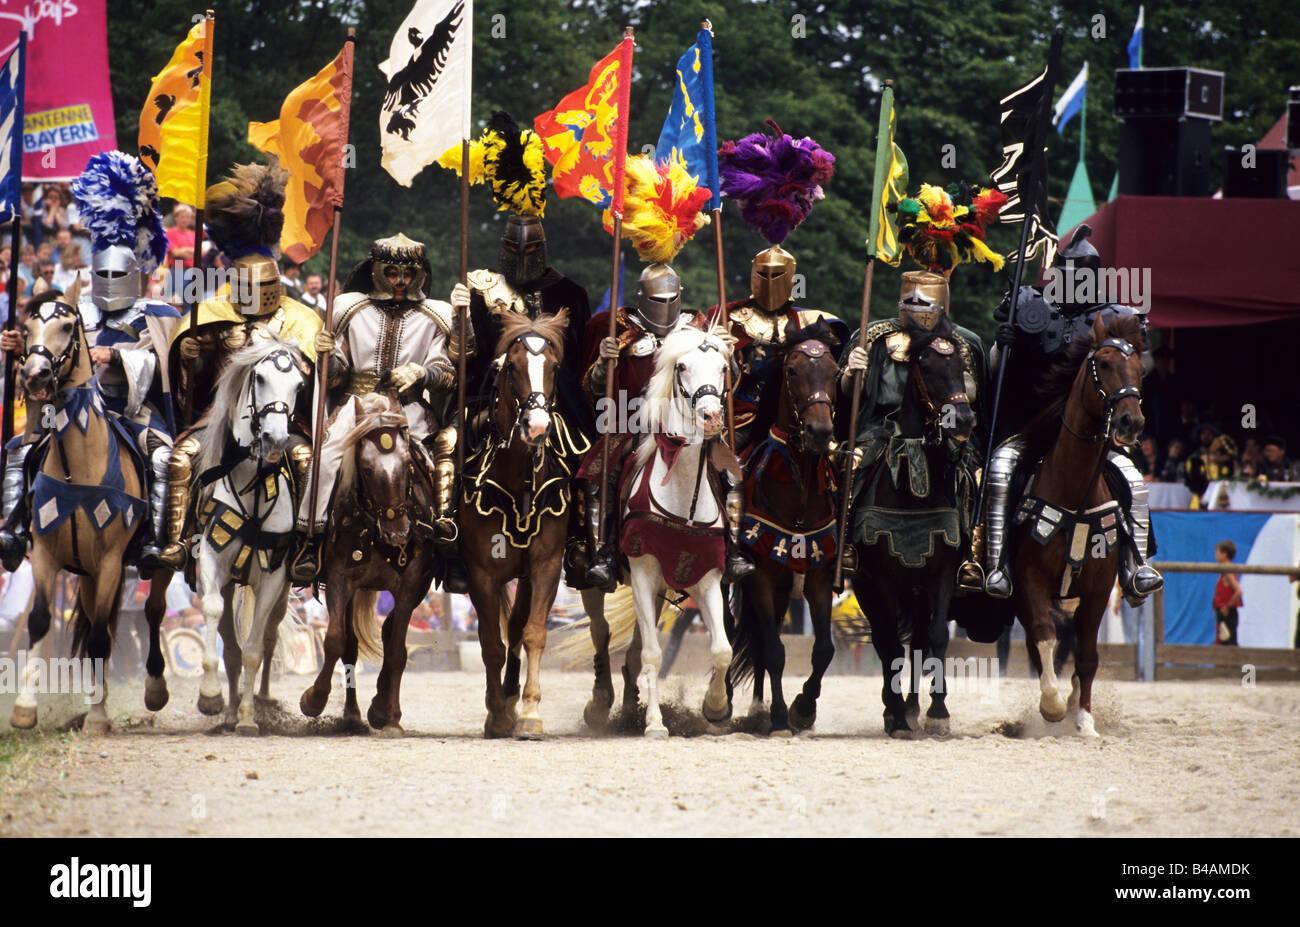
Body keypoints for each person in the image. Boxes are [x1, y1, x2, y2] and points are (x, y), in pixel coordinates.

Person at [0, 152, 182, 571]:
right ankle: (13, 528)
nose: (111, 284)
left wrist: (116, 355)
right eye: (104, 276)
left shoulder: (158, 315)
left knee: (161, 457)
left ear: (137, 274)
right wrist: (18, 349)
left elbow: (163, 365)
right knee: (19, 448)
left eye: (120, 277)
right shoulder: (76, 313)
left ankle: (154, 540)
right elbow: (45, 361)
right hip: (68, 408)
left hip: (131, 408)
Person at [971, 224, 1162, 605]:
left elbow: (1144, 366)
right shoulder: (1032, 308)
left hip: (1090, 433)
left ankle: (1135, 566)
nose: (1077, 282)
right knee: (999, 470)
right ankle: (995, 565)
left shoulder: (1118, 316)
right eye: (1070, 275)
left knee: (1131, 480)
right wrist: (1002, 343)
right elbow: (998, 371)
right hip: (1032, 426)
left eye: (1084, 276)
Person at [448, 112, 595, 587]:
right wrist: (461, 320)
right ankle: (448, 535)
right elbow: (462, 357)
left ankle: (587, 542)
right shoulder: (479, 285)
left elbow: (579, 359)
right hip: (487, 394)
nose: (524, 259)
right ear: (503, 247)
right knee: (448, 446)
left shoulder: (569, 291)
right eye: (516, 250)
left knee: (590, 454)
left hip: (555, 396)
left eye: (532, 252)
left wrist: (603, 360)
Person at [157, 162, 322, 568]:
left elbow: (318, 383)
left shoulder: (300, 318)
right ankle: (178, 541)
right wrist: (190, 357)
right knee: (179, 459)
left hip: (282, 418)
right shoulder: (213, 312)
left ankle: (306, 542)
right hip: (219, 417)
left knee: (306, 462)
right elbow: (191, 386)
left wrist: (323, 361)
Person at [290, 233, 466, 591]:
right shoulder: (346, 308)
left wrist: (421, 372)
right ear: (375, 271)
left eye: (407, 274)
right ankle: (310, 541)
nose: (399, 282)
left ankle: (448, 541)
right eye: (391, 273)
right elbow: (336, 372)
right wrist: (326, 354)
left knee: (437, 464)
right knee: (324, 461)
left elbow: (448, 373)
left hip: (411, 409)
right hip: (356, 407)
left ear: (419, 274)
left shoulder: (438, 315)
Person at [714, 121, 847, 580]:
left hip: (803, 423)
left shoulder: (815, 322)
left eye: (780, 277)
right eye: (763, 276)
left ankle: (844, 545)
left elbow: (833, 379)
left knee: (846, 467)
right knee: (717, 477)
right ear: (752, 276)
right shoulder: (726, 318)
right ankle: (726, 548)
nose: (771, 284)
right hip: (741, 421)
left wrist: (855, 369)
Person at [575, 262, 707, 587]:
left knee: (730, 474)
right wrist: (604, 366)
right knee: (597, 477)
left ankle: (731, 548)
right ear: (641, 297)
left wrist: (725, 356)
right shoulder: (616, 327)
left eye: (670, 299)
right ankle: (602, 552)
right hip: (630, 425)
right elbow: (593, 387)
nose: (664, 307)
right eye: (657, 300)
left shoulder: (696, 327)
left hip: (684, 429)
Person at [164, 204, 197, 303]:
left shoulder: (193, 234)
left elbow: (198, 253)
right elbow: (175, 253)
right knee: (175, 300)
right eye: (182, 216)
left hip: (192, 271)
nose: (185, 220)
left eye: (188, 217)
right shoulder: (170, 233)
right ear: (176, 218)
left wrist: (183, 250)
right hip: (177, 270)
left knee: (190, 301)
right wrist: (189, 251)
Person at [1213, 540, 1242, 646]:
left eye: (1217, 553)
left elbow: (1238, 591)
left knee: (1228, 642)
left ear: (1224, 554)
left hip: (1228, 614)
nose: (1215, 556)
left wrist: (1227, 607)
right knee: (1223, 641)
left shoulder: (1228, 571)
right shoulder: (1225, 571)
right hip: (1223, 613)